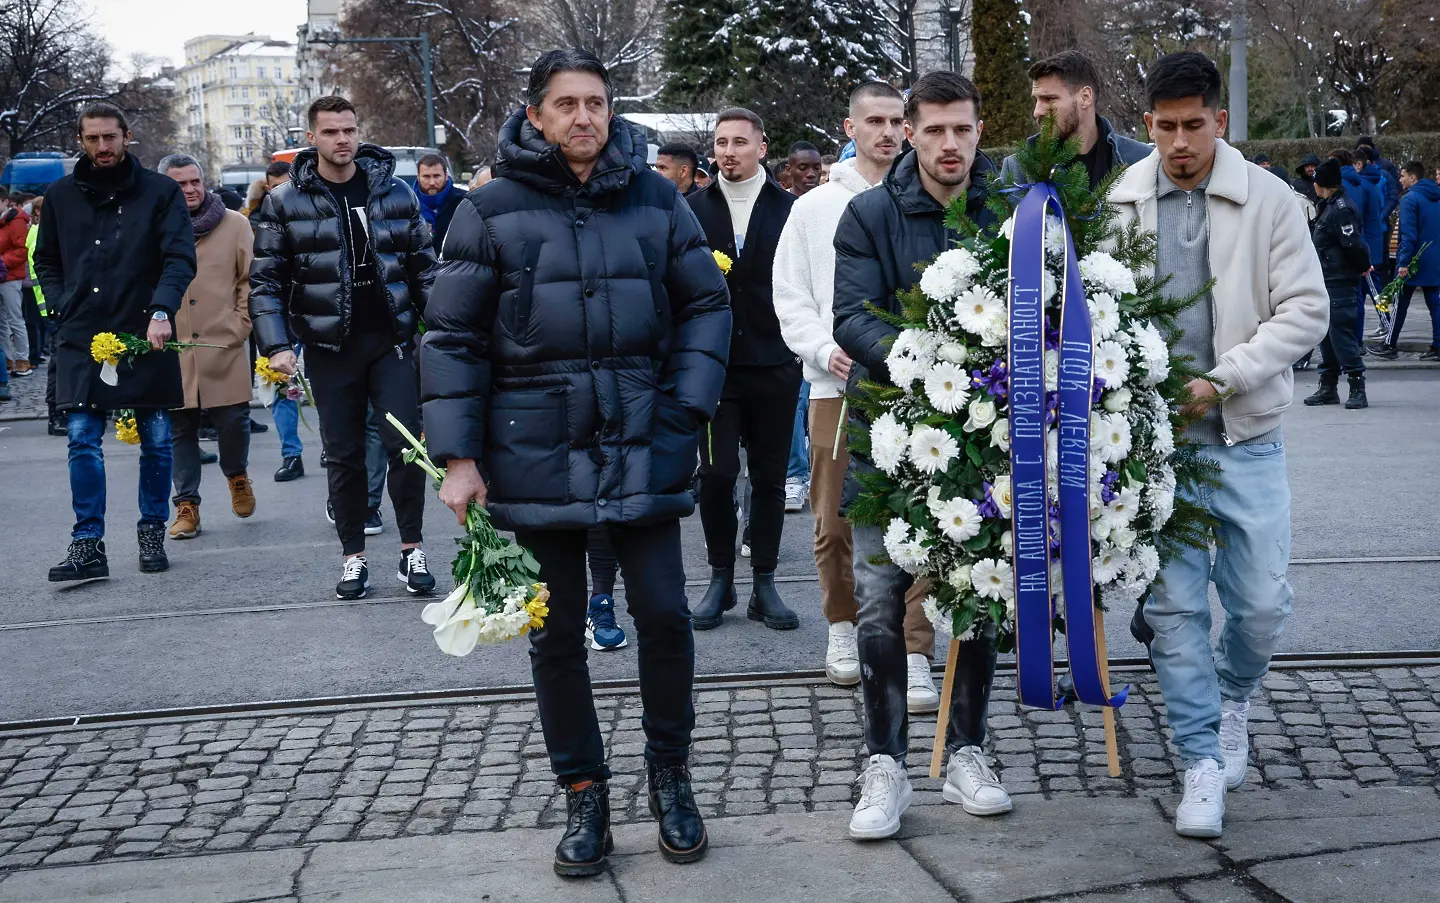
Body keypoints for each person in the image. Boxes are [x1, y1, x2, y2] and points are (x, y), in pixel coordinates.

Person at [421, 48, 730, 876]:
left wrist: (684, 410)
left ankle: (671, 775)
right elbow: (451, 337)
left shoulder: (658, 199)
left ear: (610, 109)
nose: (583, 117)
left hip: (645, 443)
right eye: (566, 104)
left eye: (595, 102)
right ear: (536, 115)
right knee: (554, 634)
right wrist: (458, 456)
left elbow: (706, 305)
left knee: (665, 615)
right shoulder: (488, 212)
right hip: (532, 456)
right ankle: (583, 790)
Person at [1110, 51, 1328, 839]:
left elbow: (1305, 311)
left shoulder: (1271, 200)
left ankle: (1234, 695)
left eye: (1193, 125)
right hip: (1153, 451)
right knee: (1171, 610)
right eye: (1164, 127)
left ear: (1220, 122)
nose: (1178, 142)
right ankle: (1200, 758)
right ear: (1148, 126)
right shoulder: (1122, 200)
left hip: (1245, 439)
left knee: (1261, 604)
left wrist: (1222, 378)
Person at [832, 70, 1006, 841]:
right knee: (878, 599)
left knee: (983, 594)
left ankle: (967, 748)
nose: (949, 145)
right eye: (933, 130)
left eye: (962, 130)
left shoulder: (1011, 210)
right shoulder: (868, 215)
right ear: (908, 131)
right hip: (893, 433)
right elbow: (851, 318)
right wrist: (933, 366)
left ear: (978, 131)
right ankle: (885, 762)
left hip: (990, 438)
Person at [773, 80, 942, 703]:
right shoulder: (814, 208)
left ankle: (914, 644)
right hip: (835, 384)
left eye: (898, 120)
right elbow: (788, 295)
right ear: (850, 128)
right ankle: (843, 627)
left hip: (918, 387)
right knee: (834, 519)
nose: (887, 132)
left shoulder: (924, 196)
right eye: (874, 120)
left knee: (919, 516)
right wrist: (825, 350)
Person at [249, 94, 437, 600]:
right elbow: (264, 283)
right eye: (331, 131)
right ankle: (353, 555)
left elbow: (424, 268)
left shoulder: (393, 192)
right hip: (330, 347)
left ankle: (411, 549)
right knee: (344, 454)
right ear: (311, 137)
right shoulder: (284, 202)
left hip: (391, 340)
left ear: (359, 131)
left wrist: (444, 330)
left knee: (407, 448)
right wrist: (276, 346)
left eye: (349, 130)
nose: (342, 140)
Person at [36, 102, 198, 582]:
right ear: (80, 142)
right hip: (81, 331)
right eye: (92, 139)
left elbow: (178, 258)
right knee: (83, 438)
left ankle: (151, 530)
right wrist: (62, 303)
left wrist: (161, 310)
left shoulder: (161, 192)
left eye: (110, 137)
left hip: (145, 329)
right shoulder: (60, 195)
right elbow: (45, 260)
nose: (102, 147)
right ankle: (87, 542)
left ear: (127, 136)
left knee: (156, 436)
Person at [687, 107, 802, 632]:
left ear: (761, 146)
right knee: (715, 475)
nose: (727, 151)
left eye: (738, 141)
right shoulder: (690, 209)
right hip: (715, 369)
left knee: (771, 478)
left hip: (775, 363)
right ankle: (719, 578)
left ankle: (764, 582)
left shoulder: (790, 209)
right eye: (720, 142)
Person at [158, 154, 259, 538]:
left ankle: (236, 475)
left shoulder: (235, 224)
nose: (189, 190)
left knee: (233, 422)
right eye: (179, 184)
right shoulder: (154, 227)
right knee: (178, 428)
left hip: (224, 342)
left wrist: (239, 323)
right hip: (171, 345)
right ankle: (186, 505)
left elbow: (251, 279)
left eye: (194, 181)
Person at [1001, 49, 1152, 190]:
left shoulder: (1142, 161)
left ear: (1085, 97)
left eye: (1049, 99)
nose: (1037, 112)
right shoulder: (1017, 170)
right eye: (1036, 100)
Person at [1302, 159, 1370, 409]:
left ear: (1321, 184)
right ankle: (1328, 386)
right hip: (1326, 279)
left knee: (1341, 334)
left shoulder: (1340, 209)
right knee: (1326, 334)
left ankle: (1356, 386)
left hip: (1339, 280)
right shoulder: (1328, 206)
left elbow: (1352, 244)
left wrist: (1363, 266)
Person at [1381, 160, 1440, 361]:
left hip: (1414, 259)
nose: (1400, 179)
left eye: (1403, 175)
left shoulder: (1409, 199)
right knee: (1435, 303)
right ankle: (1438, 346)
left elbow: (1408, 235)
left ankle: (1389, 344)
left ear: (1413, 177)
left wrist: (1403, 262)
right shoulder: (1436, 196)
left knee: (1400, 302)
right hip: (1434, 258)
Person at [0, 191, 32, 377]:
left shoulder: (16, 220)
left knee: (15, 319)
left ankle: (22, 360)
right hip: (4, 274)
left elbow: (23, 249)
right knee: (2, 323)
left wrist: (1, 262)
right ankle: (7, 359)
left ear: (5, 201)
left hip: (11, 277)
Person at [415, 153, 465, 252]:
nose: (432, 182)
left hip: (454, 264)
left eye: (436, 176)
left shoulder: (464, 201)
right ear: (418, 177)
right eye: (426, 177)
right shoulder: (407, 204)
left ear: (446, 176)